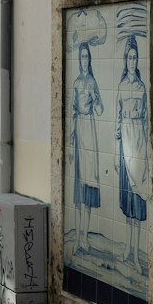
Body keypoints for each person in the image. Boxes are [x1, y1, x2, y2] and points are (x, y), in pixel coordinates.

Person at [116, 35, 149, 269]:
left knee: (137, 201)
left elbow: (146, 120)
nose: (132, 61)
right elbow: (116, 120)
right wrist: (114, 153)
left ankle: (136, 255)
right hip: (124, 144)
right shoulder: (120, 86)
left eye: (135, 57)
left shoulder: (141, 87)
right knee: (127, 200)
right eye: (129, 56)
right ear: (125, 59)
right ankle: (128, 249)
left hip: (137, 141)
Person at [71, 42, 104, 256]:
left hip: (90, 133)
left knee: (90, 185)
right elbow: (72, 110)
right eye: (81, 56)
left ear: (89, 59)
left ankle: (84, 236)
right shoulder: (75, 83)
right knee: (80, 186)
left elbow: (101, 110)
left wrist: (95, 97)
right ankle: (79, 236)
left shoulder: (92, 82)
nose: (84, 60)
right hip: (80, 130)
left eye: (86, 56)